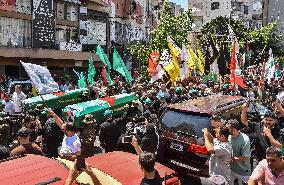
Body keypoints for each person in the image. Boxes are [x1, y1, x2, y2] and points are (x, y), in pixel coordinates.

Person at [227, 119, 251, 185]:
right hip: (230, 169)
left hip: (243, 170)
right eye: (230, 130)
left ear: (238, 130)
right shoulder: (228, 136)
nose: (232, 133)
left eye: (234, 131)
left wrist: (233, 159)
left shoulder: (245, 139)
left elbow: (246, 157)